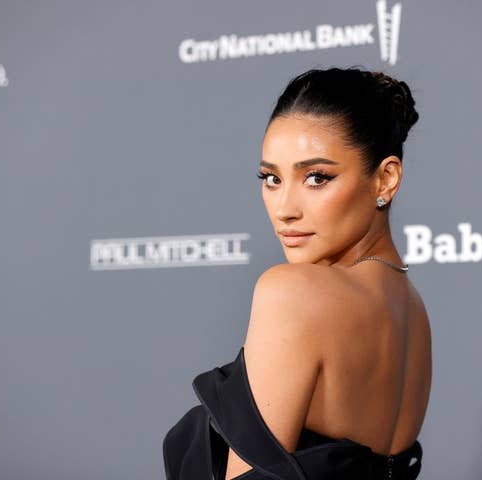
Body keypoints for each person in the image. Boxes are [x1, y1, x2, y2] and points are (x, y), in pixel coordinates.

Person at [162, 66, 432, 479]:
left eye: (316, 177)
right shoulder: (412, 309)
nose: (284, 208)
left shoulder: (293, 292)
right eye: (271, 178)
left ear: (385, 179)